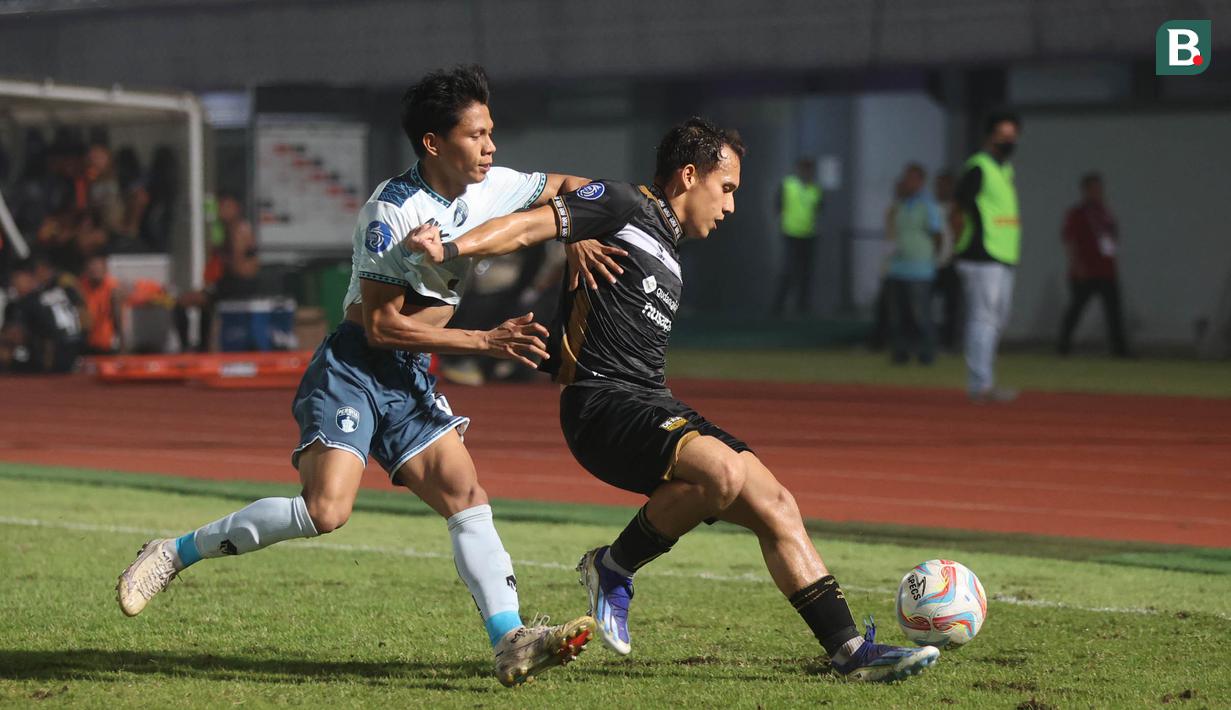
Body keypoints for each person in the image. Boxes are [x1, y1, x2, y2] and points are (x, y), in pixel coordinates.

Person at [115, 65, 624, 687]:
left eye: (492, 132)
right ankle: (172, 552)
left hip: (408, 374)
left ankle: (508, 639)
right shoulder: (392, 212)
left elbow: (583, 188)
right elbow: (381, 327)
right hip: (357, 364)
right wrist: (483, 341)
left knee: (468, 499)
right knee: (326, 511)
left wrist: (570, 232)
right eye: (476, 134)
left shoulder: (496, 185)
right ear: (434, 143)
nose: (491, 146)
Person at [408, 117, 941, 683]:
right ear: (689, 175)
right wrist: (449, 245)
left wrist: (576, 240)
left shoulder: (669, 249)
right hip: (600, 408)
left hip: (653, 402)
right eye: (727, 188)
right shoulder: (620, 204)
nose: (731, 207)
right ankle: (614, 567)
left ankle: (850, 652)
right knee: (719, 470)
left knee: (776, 502)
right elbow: (524, 228)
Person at [951, 110, 1023, 403]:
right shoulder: (979, 167)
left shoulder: (1004, 170)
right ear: (989, 136)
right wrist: (957, 245)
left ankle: (983, 381)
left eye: (1012, 135)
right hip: (981, 254)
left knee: (997, 319)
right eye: (1003, 135)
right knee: (983, 319)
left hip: (1002, 254)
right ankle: (980, 385)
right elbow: (957, 207)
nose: (1009, 140)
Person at [1058, 172, 1129, 357]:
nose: (1097, 192)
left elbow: (1112, 238)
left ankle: (1120, 350)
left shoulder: (1105, 213)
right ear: (1085, 190)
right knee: (1076, 310)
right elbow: (1070, 240)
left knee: (1114, 312)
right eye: (1093, 189)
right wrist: (1076, 265)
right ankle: (1062, 346)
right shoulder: (1077, 214)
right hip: (1085, 271)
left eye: (1099, 189)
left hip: (1106, 271)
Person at [884, 163, 942, 365]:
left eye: (910, 178)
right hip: (898, 268)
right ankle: (900, 354)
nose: (906, 182)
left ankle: (926, 354)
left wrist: (934, 257)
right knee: (899, 317)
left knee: (921, 316)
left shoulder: (928, 205)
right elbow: (890, 232)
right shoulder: (898, 205)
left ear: (920, 181)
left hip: (920, 269)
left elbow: (937, 234)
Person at [772, 158, 822, 316]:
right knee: (788, 271)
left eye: (809, 169)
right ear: (798, 169)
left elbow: (819, 208)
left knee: (806, 273)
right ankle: (777, 308)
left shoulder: (815, 188)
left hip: (809, 235)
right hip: (791, 234)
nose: (807, 172)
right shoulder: (788, 185)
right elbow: (777, 204)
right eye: (804, 169)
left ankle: (803, 309)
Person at [931, 170, 963, 351]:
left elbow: (960, 232)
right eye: (939, 185)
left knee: (951, 307)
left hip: (951, 263)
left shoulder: (957, 208)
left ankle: (948, 343)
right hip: (931, 264)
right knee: (926, 306)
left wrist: (956, 254)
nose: (941, 189)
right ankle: (927, 341)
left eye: (945, 185)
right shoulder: (931, 207)